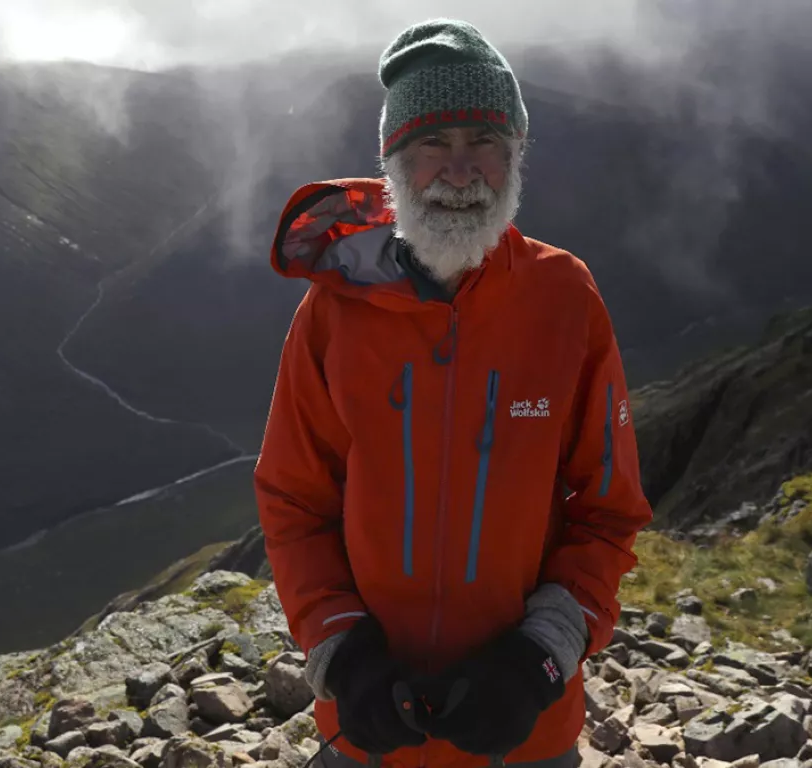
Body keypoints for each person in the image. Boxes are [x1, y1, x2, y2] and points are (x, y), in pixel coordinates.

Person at [253, 18, 654, 768]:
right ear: (393, 160)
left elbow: (608, 511)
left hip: (525, 729)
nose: (461, 172)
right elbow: (293, 500)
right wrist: (342, 653)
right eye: (434, 144)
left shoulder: (565, 298)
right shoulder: (334, 309)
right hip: (370, 726)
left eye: (486, 143)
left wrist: (541, 657)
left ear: (516, 159)